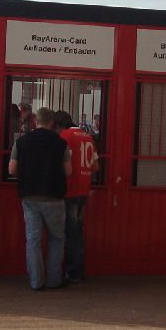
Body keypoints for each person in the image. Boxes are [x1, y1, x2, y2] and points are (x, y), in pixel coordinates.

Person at [9, 106, 71, 291]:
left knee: (33, 240)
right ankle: (54, 280)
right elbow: (69, 171)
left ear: (36, 120)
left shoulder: (22, 141)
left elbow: (11, 169)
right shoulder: (61, 143)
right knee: (57, 239)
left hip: (30, 196)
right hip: (54, 197)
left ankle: (36, 282)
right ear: (52, 123)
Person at [55, 109, 98, 283]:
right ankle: (78, 270)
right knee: (77, 233)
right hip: (84, 190)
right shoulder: (87, 136)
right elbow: (95, 166)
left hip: (70, 190)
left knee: (69, 233)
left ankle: (72, 272)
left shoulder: (65, 136)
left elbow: (61, 163)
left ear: (58, 125)